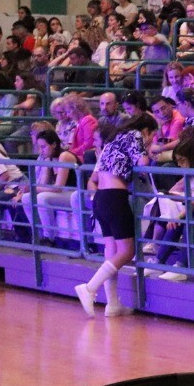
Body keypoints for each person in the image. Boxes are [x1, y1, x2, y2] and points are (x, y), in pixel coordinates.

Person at [75, 115, 158, 318]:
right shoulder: (135, 135)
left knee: (112, 252)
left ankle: (112, 304)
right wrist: (149, 151)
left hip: (101, 197)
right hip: (115, 197)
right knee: (127, 252)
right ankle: (89, 288)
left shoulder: (114, 138)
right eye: (152, 135)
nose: (151, 139)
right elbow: (143, 163)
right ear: (145, 130)